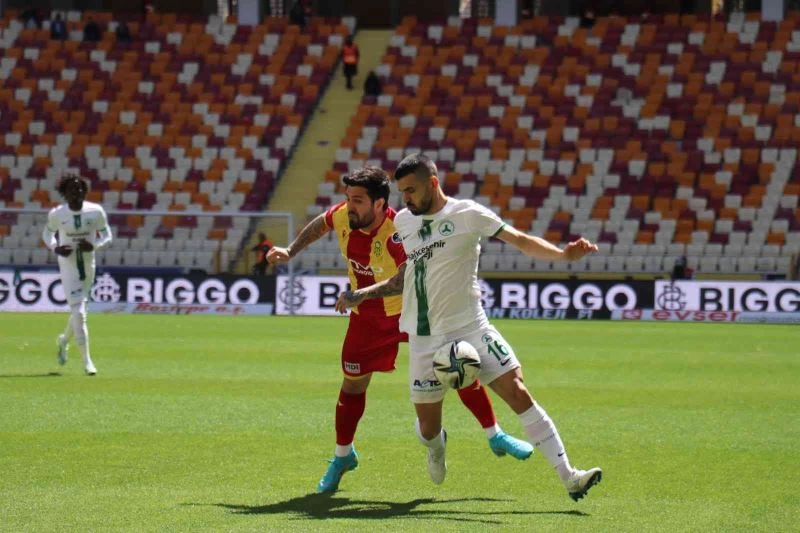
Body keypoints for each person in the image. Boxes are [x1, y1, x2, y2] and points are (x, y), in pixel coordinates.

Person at [336, 154, 603, 501]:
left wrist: (563, 256)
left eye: (412, 190)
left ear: (433, 183)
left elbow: (520, 240)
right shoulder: (403, 222)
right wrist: (362, 294)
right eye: (403, 192)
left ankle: (570, 477)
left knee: (518, 391)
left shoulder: (468, 214)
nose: (406, 199)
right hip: (424, 337)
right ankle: (437, 448)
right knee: (428, 429)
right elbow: (404, 277)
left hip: (472, 327)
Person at [267, 166, 533, 493]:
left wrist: (359, 294)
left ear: (380, 203)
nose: (350, 206)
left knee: (456, 363)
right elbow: (321, 223)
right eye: (348, 198)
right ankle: (343, 456)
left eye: (358, 200)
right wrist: (290, 250)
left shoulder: (400, 231)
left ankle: (495, 434)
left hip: (413, 312)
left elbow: (404, 279)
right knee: (352, 385)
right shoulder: (344, 215)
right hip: (367, 319)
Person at [42, 175, 113, 376]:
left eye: (80, 188)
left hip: (88, 264)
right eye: (73, 189)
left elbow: (107, 236)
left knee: (78, 311)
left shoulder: (95, 211)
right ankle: (87, 362)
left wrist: (94, 246)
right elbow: (47, 234)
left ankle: (64, 340)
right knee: (80, 312)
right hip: (68, 265)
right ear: (65, 193)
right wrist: (56, 248)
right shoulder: (57, 214)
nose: (77, 192)